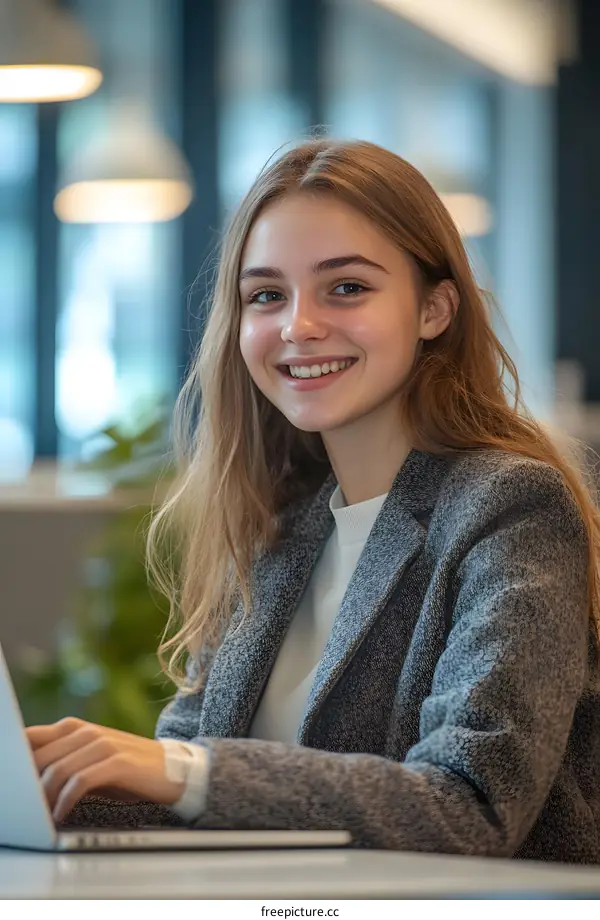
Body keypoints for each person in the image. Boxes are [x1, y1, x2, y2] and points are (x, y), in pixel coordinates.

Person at [26, 138, 600, 862]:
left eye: (347, 288)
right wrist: (45, 788)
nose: (298, 325)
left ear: (435, 308)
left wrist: (180, 771)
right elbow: (191, 803)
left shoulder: (510, 508)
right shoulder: (281, 524)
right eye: (266, 295)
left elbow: (474, 805)